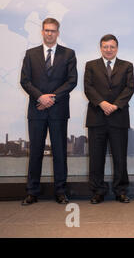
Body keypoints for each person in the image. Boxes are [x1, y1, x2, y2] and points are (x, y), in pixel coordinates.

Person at [20, 18, 77, 205]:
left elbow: (71, 81)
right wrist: (41, 97)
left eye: (53, 30)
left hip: (58, 110)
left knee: (60, 152)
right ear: (42, 32)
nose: (49, 33)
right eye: (46, 30)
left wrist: (51, 98)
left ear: (58, 32)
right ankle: (32, 192)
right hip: (36, 110)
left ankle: (61, 191)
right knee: (35, 151)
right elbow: (25, 81)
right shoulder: (30, 54)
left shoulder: (68, 54)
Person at [84, 34, 134, 204]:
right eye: (105, 46)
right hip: (97, 117)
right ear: (100, 48)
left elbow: (129, 89)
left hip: (118, 117)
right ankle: (98, 191)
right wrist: (102, 103)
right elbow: (88, 88)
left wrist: (114, 105)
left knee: (120, 157)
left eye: (112, 47)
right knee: (96, 158)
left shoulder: (127, 66)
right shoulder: (91, 65)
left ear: (117, 48)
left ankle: (120, 191)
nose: (109, 50)